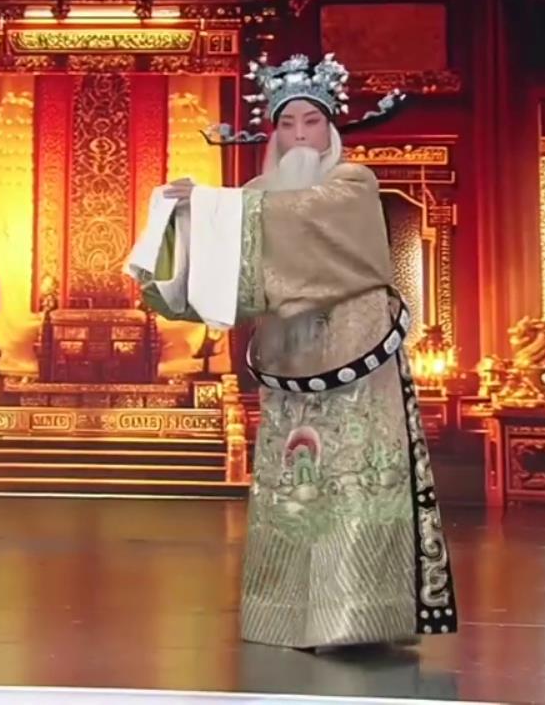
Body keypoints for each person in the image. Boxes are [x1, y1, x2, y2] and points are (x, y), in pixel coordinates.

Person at [126, 53, 457, 651]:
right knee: (295, 489)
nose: (300, 135)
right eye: (287, 124)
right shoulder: (254, 196)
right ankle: (285, 614)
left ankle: (358, 616)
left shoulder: (352, 185)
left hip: (357, 358)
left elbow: (296, 218)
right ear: (273, 133)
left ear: (330, 128)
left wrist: (214, 205)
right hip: (290, 365)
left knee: (355, 477)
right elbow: (231, 252)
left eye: (312, 122)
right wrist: (186, 214)